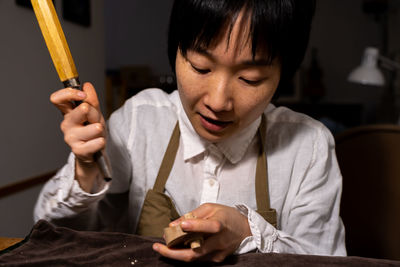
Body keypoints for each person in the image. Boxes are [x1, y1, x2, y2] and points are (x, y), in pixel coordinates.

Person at [34, 0, 346, 262]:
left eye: (250, 78)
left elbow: (324, 260)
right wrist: (87, 169)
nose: (218, 101)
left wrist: (248, 233)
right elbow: (55, 235)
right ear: (176, 51)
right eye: (200, 67)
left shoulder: (309, 146)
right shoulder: (139, 121)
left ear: (283, 75)